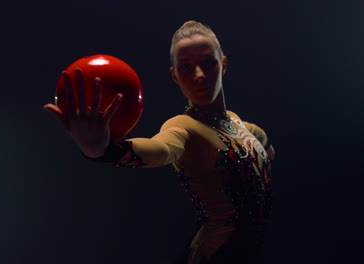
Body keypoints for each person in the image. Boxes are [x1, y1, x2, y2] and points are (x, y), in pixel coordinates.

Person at [44, 20, 275, 264]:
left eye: (208, 62)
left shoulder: (242, 125)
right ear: (174, 76)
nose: (199, 75)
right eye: (186, 67)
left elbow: (262, 146)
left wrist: (264, 145)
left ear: (224, 64)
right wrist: (103, 149)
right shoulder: (183, 127)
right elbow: (161, 149)